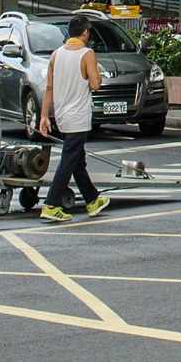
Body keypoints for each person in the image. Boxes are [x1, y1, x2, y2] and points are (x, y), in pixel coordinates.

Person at [38, 16, 107, 222]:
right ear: (85, 33)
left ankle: (92, 200)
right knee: (69, 160)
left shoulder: (56, 55)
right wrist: (99, 75)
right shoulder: (87, 54)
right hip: (79, 116)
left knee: (77, 159)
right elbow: (95, 85)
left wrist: (43, 116)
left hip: (61, 115)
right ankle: (51, 204)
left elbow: (49, 87)